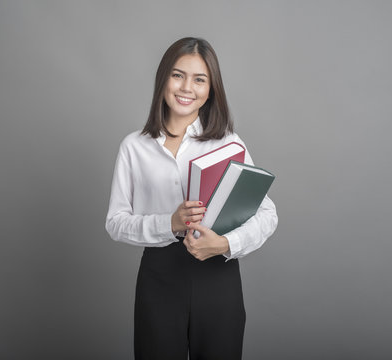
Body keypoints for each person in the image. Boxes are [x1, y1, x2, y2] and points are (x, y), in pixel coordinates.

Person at [105, 37, 278, 360]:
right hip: (159, 279)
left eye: (200, 79)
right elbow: (115, 223)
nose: (187, 88)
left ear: (211, 90)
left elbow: (267, 214)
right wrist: (168, 223)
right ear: (163, 80)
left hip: (217, 276)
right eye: (177, 75)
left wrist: (225, 245)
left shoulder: (227, 143)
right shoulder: (134, 146)